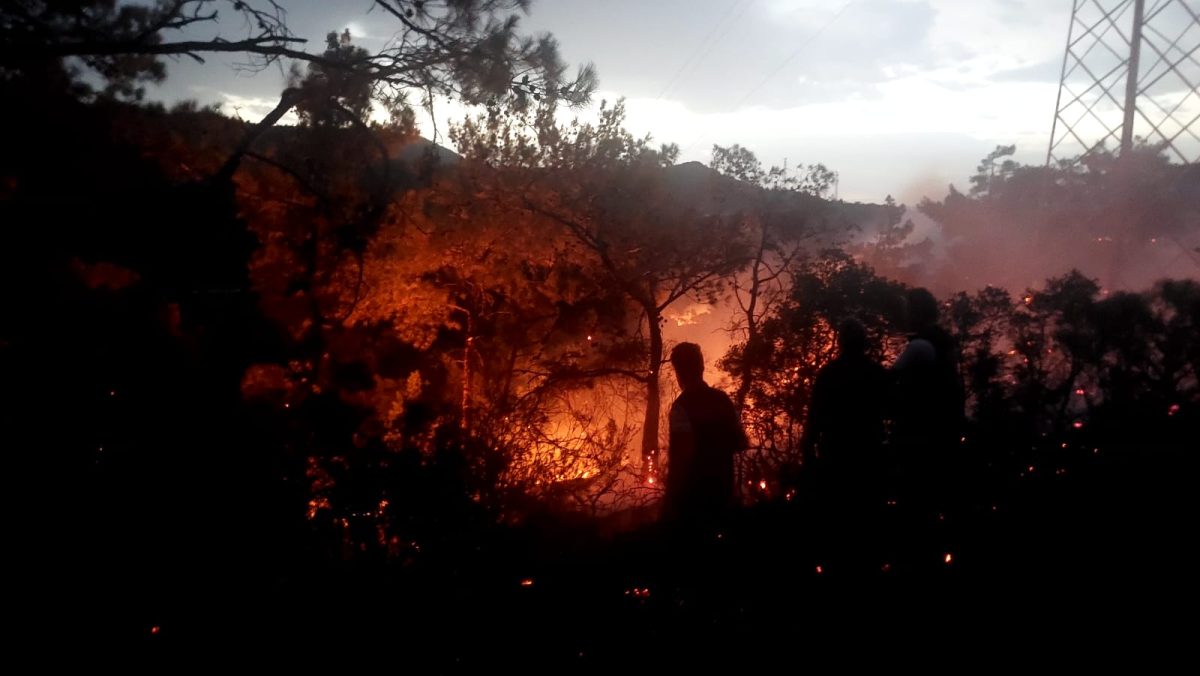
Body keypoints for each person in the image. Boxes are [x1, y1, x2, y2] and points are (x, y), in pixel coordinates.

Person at [802, 318, 888, 571]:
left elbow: (814, 418)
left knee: (837, 526)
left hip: (836, 461)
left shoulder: (829, 375)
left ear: (840, 344)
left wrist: (808, 455)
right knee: (868, 525)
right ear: (864, 343)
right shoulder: (877, 374)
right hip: (869, 460)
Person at [663, 342, 747, 529]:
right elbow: (740, 442)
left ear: (679, 372)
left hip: (693, 501)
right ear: (701, 366)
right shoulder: (721, 399)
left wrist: (669, 501)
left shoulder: (681, 408)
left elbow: (680, 459)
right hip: (723, 491)